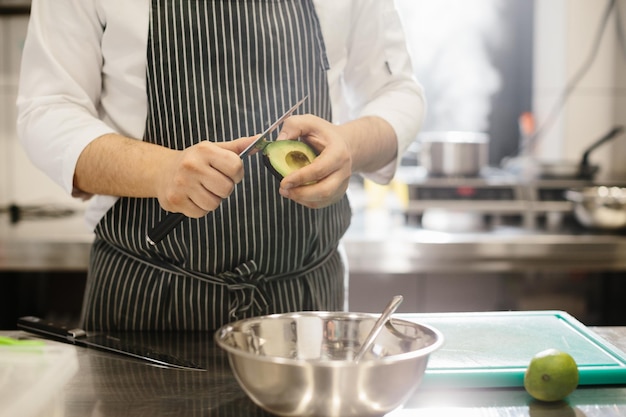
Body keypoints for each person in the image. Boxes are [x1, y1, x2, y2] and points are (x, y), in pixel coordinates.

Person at [17, 0, 425, 331]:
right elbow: (47, 110)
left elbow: (396, 91)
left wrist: (349, 145)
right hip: (145, 303)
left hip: (306, 311)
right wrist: (161, 171)